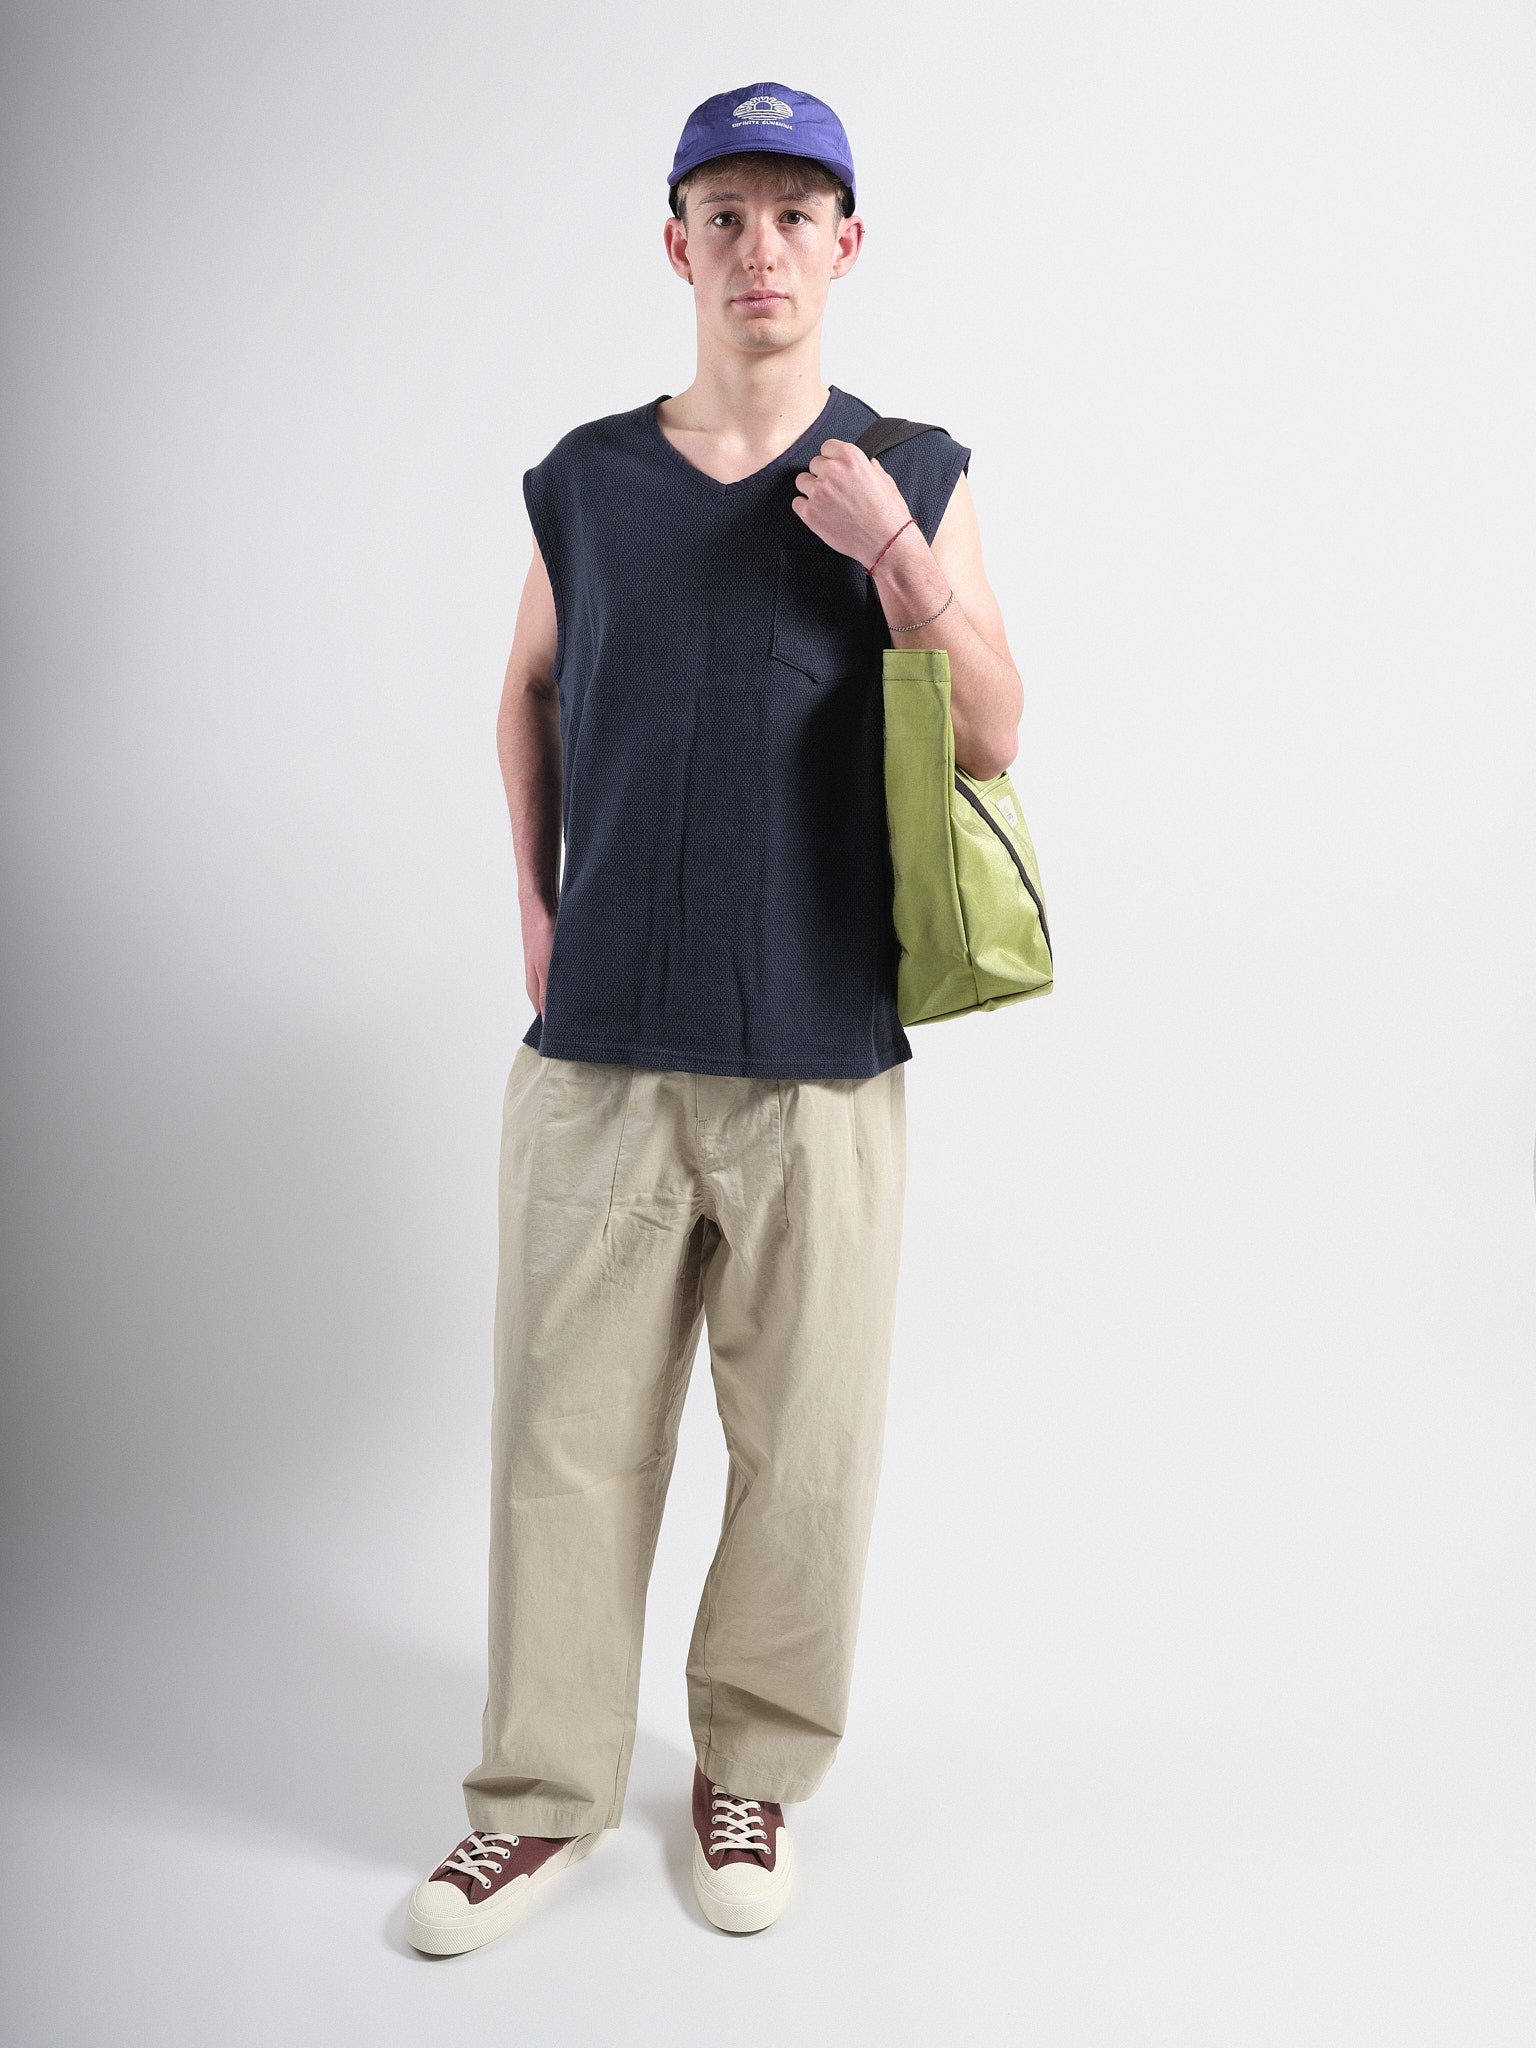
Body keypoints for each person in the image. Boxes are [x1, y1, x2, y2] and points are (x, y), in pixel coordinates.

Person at [405, 80, 1022, 1954]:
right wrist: (534, 902)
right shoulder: (589, 479)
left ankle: (748, 1767)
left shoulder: (910, 468)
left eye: (796, 214)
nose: (762, 250)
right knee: (562, 1445)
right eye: (727, 216)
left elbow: (996, 728)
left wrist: (893, 556)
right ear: (676, 244)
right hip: (600, 1049)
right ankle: (539, 1800)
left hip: (821, 1048)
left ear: (850, 244)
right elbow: (526, 685)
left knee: (805, 1452)